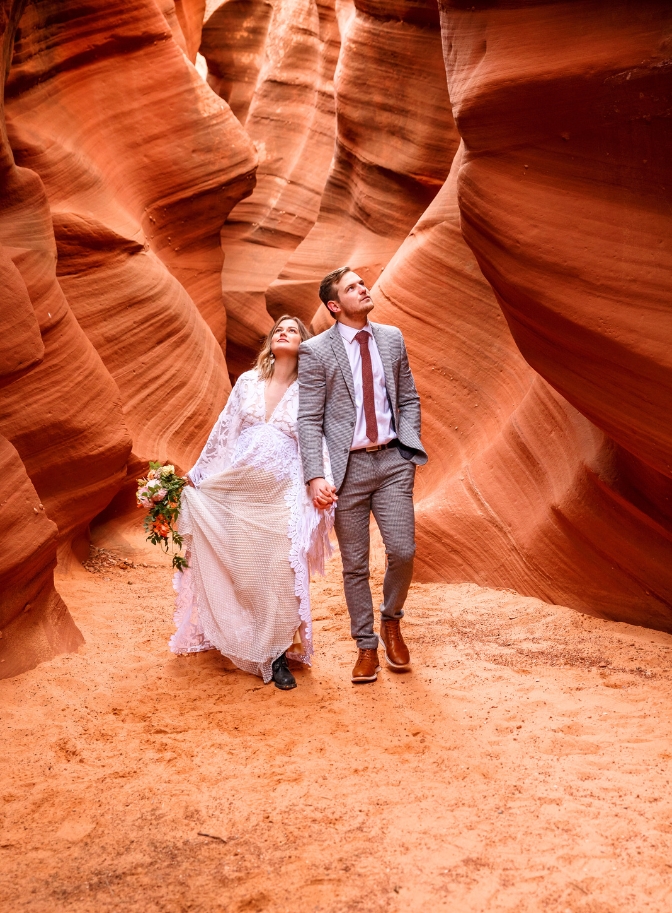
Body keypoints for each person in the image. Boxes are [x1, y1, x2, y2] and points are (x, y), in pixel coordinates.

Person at [170, 316, 334, 690]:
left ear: (303, 344)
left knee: (278, 569)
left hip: (283, 490)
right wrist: (197, 476)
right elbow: (223, 433)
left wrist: (323, 481)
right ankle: (250, 636)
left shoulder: (311, 388)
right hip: (239, 486)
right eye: (278, 328)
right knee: (245, 565)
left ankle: (276, 653)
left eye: (292, 330)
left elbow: (320, 439)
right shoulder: (247, 382)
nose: (283, 332)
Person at [297, 267, 427, 684]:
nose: (363, 288)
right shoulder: (316, 351)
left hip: (392, 462)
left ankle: (392, 620)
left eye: (362, 283)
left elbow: (408, 397)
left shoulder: (392, 338)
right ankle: (366, 646)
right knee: (354, 564)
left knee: (403, 551)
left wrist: (408, 446)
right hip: (346, 471)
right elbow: (309, 418)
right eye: (352, 287)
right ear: (335, 305)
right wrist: (315, 476)